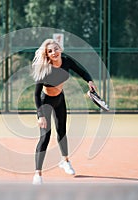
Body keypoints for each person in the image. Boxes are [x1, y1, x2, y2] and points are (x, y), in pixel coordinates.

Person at [32, 39, 97, 184]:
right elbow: (36, 95)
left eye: (55, 49)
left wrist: (89, 81)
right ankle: (38, 174)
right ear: (47, 55)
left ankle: (65, 161)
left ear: (60, 49)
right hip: (45, 103)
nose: (53, 52)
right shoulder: (44, 70)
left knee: (62, 132)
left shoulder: (66, 61)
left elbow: (81, 70)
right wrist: (40, 115)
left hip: (60, 99)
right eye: (50, 51)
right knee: (45, 138)